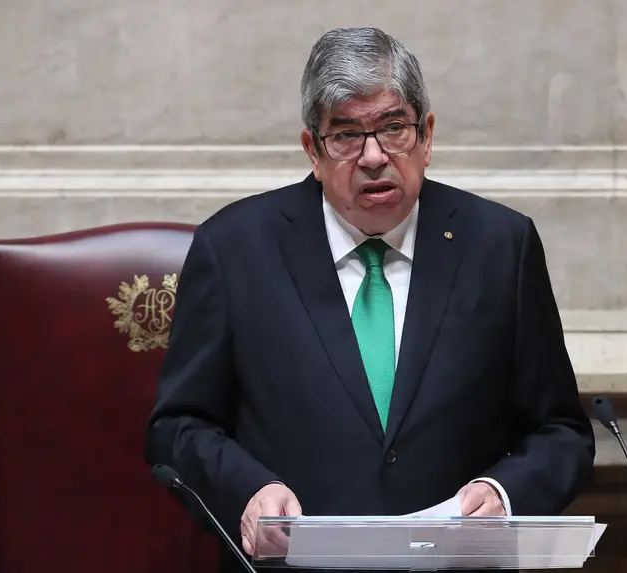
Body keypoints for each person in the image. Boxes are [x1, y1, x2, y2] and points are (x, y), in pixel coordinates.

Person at [145, 26, 595, 572]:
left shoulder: (500, 245)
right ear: (313, 150)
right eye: (346, 135)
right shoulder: (235, 249)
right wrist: (248, 492)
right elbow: (179, 427)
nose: (374, 156)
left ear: (427, 136)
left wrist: (505, 494)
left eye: (393, 128)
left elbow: (561, 433)